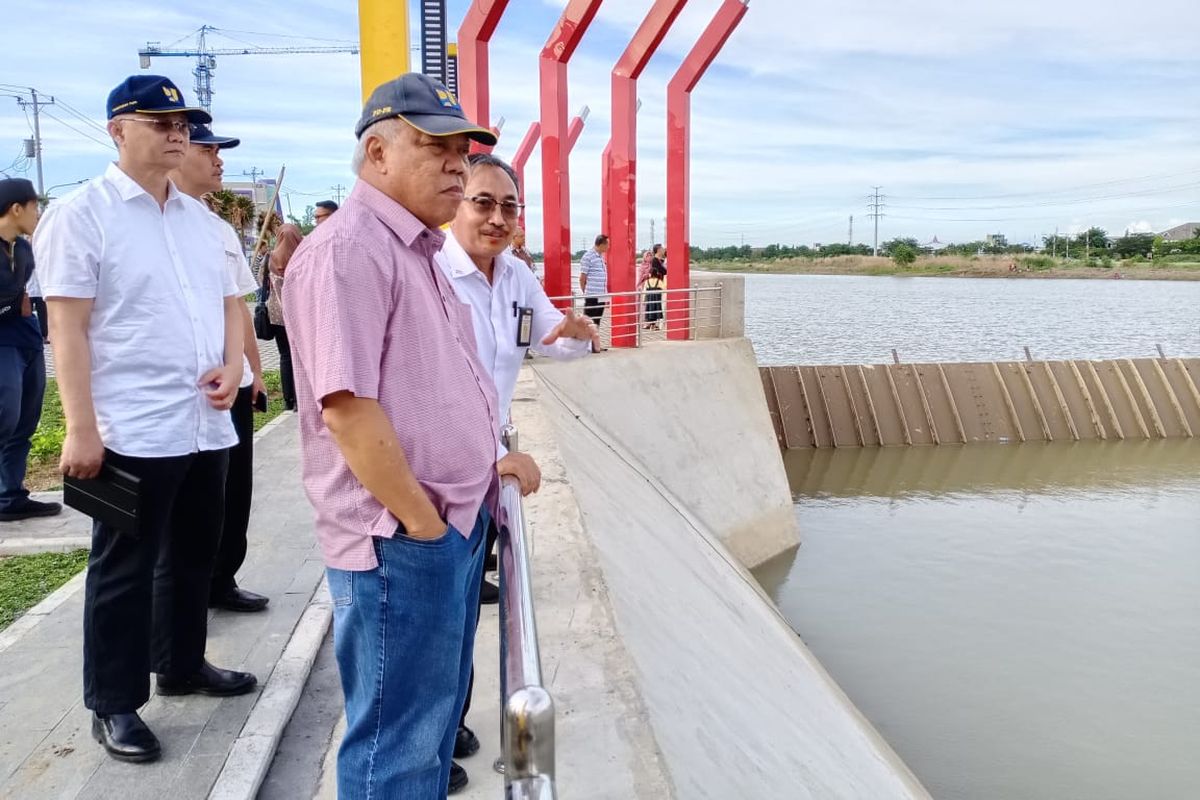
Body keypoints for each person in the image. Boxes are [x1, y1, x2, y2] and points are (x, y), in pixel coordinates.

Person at [283, 72, 501, 799]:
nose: (457, 165)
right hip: (401, 545)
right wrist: (423, 526)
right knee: (396, 747)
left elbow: (441, 385)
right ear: (377, 153)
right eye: (435, 147)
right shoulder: (348, 250)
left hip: (446, 530)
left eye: (464, 152)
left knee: (430, 730)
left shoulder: (416, 250)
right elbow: (348, 411)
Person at [33, 75, 257, 765]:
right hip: (126, 427)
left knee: (194, 553)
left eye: (181, 122)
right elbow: (66, 330)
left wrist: (231, 364)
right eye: (158, 121)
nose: (176, 132)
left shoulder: (205, 223)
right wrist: (80, 427)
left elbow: (228, 305)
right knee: (122, 568)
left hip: (202, 420)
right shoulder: (81, 215)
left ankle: (181, 664)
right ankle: (114, 702)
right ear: (117, 130)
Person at [437, 152, 596, 791]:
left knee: (463, 610)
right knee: (432, 619)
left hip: (483, 473)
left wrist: (577, 332)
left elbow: (549, 343)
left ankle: (448, 720)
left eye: (509, 206)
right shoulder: (431, 274)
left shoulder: (514, 277)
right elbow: (424, 396)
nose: (498, 218)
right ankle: (426, 743)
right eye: (484, 202)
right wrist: (486, 457)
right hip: (439, 472)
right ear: (455, 203)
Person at [168, 122, 270, 613]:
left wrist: (253, 371)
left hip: (234, 384)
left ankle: (222, 579)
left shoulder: (219, 228)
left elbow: (239, 308)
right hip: (192, 391)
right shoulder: (158, 225)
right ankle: (192, 592)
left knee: (236, 491)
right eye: (209, 150)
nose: (219, 160)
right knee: (191, 509)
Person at [0, 178, 61, 522]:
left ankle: (10, 496)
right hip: (3, 342)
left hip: (27, 339)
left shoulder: (23, 249)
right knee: (4, 416)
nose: (39, 213)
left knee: (25, 419)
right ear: (16, 209)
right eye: (35, 206)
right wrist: (13, 306)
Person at [261, 224, 303, 411]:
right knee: (301, 357)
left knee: (285, 356)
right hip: (300, 314)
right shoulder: (304, 256)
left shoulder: (269, 258)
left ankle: (288, 400)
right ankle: (301, 397)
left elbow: (260, 281)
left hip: (277, 315)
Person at [579, 234, 609, 331]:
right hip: (592, 294)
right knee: (589, 321)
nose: (608, 247)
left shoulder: (601, 257)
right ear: (601, 244)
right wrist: (586, 292)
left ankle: (595, 344)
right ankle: (587, 345)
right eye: (607, 245)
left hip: (602, 294)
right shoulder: (588, 256)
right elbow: (582, 277)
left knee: (597, 320)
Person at [644, 260, 666, 331]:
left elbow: (645, 290)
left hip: (649, 298)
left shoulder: (647, 281)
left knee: (649, 310)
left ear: (650, 274)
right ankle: (653, 325)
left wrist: (644, 299)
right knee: (656, 311)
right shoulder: (659, 281)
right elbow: (664, 288)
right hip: (657, 298)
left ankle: (650, 324)